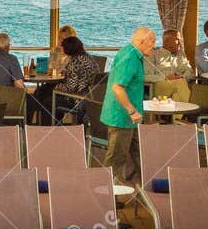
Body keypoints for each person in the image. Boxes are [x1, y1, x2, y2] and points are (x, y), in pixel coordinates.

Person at [102, 27, 156, 185]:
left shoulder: (129, 52)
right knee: (116, 159)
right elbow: (117, 87)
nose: (154, 45)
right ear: (141, 41)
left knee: (139, 153)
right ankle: (107, 196)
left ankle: (148, 185)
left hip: (128, 118)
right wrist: (132, 112)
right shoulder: (130, 58)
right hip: (122, 117)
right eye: (152, 42)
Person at [56, 34, 99, 122]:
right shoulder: (90, 58)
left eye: (62, 46)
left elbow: (71, 88)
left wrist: (58, 87)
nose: (61, 48)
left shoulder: (74, 62)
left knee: (49, 100)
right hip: (93, 98)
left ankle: (52, 128)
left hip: (78, 100)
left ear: (68, 48)